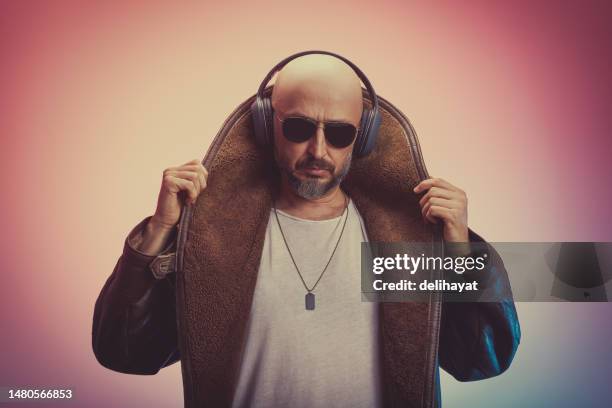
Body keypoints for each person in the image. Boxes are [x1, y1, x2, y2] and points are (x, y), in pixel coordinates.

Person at [93, 53, 520, 407]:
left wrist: (460, 252)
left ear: (364, 137)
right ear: (266, 126)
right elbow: (125, 352)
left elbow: (480, 360)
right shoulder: (213, 239)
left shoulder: (395, 240)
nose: (318, 150)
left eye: (339, 133)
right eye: (297, 128)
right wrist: (161, 231)